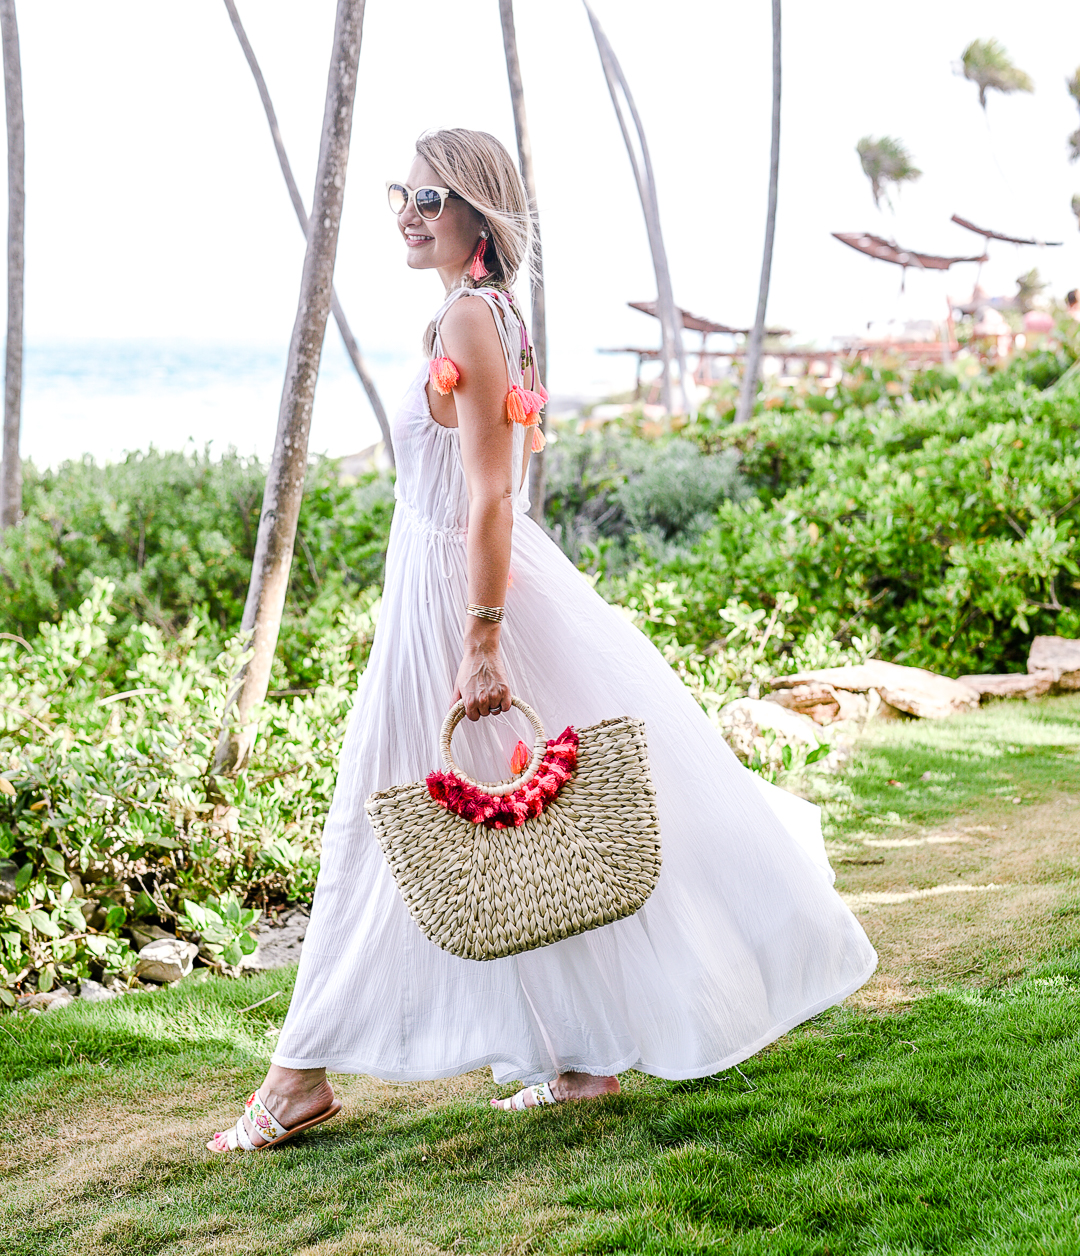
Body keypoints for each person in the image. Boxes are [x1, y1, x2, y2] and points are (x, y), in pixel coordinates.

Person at [208, 128, 876, 1152]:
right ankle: (576, 1058)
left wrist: (479, 639)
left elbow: (489, 490)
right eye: (403, 192)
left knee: (379, 815)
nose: (408, 211)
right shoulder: (491, 314)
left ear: (478, 209)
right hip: (458, 580)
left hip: (456, 592)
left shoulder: (471, 317)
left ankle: (298, 1076)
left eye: (429, 195)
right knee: (526, 817)